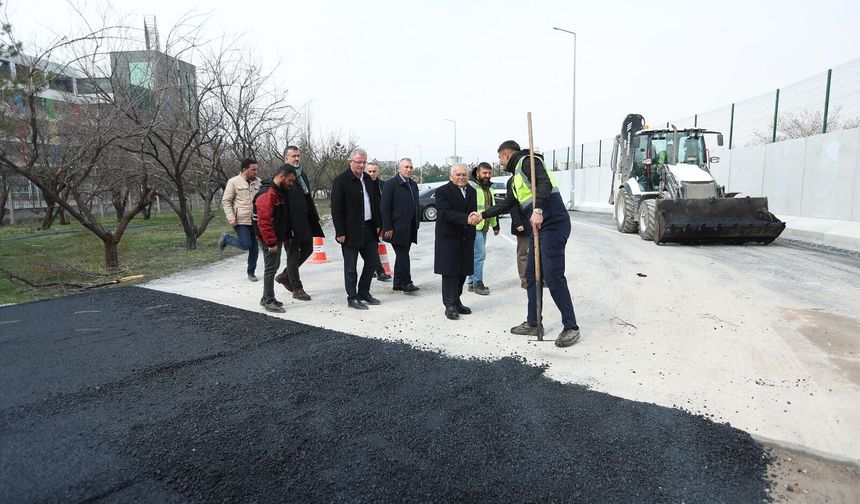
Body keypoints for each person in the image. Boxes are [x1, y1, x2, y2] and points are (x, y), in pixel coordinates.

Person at [478, 140, 580, 347]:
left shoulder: (529, 161)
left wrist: (538, 209)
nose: (500, 163)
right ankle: (533, 322)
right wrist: (482, 215)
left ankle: (571, 327)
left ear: (506, 155)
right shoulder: (514, 178)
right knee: (532, 275)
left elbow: (544, 183)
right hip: (538, 229)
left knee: (552, 275)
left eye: (500, 158)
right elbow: (508, 204)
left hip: (553, 224)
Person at [330, 148, 383, 310]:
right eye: (358, 162)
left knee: (372, 262)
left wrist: (378, 224)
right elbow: (336, 208)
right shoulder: (341, 181)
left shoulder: (368, 179)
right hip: (350, 230)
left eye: (364, 162)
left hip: (369, 228)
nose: (361, 165)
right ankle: (352, 297)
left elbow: (375, 203)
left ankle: (364, 292)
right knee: (351, 267)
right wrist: (340, 231)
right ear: (350, 162)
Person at [275, 146, 324, 301]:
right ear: (285, 158)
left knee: (308, 249)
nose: (296, 158)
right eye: (293, 156)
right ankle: (297, 288)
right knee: (293, 255)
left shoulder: (301, 174)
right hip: (291, 224)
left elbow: (306, 197)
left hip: (305, 221)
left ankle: (285, 275)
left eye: (298, 156)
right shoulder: (283, 177)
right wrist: (287, 227)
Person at [434, 164, 478, 320]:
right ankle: (449, 305)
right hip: (449, 238)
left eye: (464, 174)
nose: (461, 177)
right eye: (458, 174)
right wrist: (467, 218)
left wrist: (474, 218)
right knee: (450, 273)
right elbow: (445, 213)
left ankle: (457, 301)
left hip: (466, 236)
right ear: (451, 176)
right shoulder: (442, 191)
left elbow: (472, 210)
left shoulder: (472, 191)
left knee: (463, 271)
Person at [253, 165, 297, 313]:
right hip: (268, 238)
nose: (291, 184)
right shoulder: (268, 193)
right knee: (271, 269)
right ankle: (269, 301)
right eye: (290, 180)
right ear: (282, 176)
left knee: (273, 267)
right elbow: (264, 222)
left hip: (275, 237)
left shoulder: (278, 191)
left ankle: (266, 297)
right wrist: (271, 242)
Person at [219, 158, 262, 282]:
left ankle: (251, 273)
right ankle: (227, 238)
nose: (256, 172)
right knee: (246, 245)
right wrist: (231, 217)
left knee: (254, 248)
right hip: (240, 220)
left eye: (256, 169)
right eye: (253, 169)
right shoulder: (233, 182)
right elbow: (226, 201)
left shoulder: (259, 182)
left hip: (255, 220)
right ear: (244, 170)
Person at [381, 158, 420, 293]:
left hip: (410, 227)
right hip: (396, 228)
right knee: (403, 255)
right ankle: (407, 282)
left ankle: (397, 283)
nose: (409, 170)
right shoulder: (390, 185)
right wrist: (387, 227)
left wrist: (416, 223)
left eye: (410, 167)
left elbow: (415, 205)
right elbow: (385, 208)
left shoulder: (413, 184)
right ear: (399, 168)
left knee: (402, 254)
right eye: (406, 167)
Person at [467, 162, 500, 295]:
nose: (487, 175)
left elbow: (492, 207)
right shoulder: (471, 186)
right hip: (474, 226)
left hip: (484, 226)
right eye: (484, 173)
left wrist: (495, 225)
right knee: (480, 255)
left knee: (476, 255)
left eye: (489, 173)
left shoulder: (488, 188)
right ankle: (477, 283)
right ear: (477, 173)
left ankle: (471, 282)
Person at [366, 162, 391, 282]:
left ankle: (373, 270)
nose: (372, 174)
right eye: (369, 171)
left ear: (378, 172)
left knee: (373, 246)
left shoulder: (382, 185)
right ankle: (379, 271)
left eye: (374, 171)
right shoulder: (362, 184)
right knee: (371, 246)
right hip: (367, 220)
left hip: (379, 220)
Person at [506, 175, 530, 289]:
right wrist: (517, 222)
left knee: (540, 252)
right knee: (523, 254)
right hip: (523, 223)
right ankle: (525, 280)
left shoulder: (536, 176)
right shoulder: (513, 180)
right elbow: (512, 204)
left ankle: (540, 278)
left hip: (538, 222)